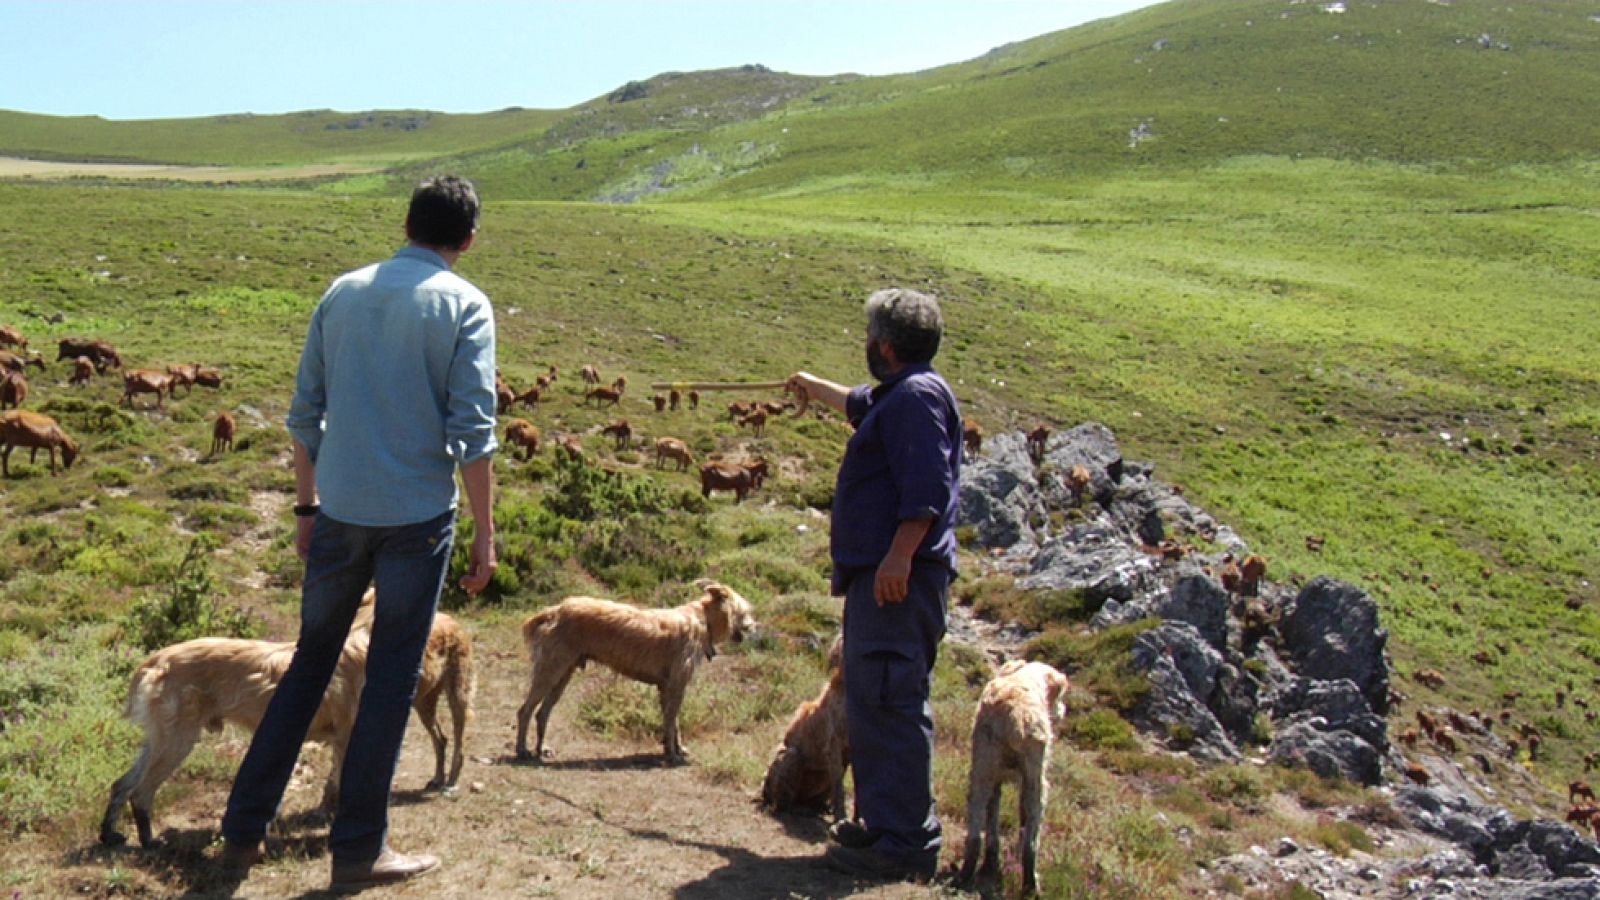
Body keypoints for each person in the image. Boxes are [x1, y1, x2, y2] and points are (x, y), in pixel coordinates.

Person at [220, 175, 499, 891]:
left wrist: (307, 510)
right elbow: (473, 432)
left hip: (339, 513)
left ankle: (244, 830)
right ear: (466, 239)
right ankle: (359, 851)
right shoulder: (465, 305)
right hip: (415, 520)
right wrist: (484, 535)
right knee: (389, 681)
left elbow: (303, 413)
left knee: (310, 663)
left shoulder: (341, 292)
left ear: (405, 222)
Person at [786, 287, 962, 883]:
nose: (864, 345)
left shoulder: (914, 400)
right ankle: (882, 824)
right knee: (874, 698)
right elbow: (863, 403)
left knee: (891, 699)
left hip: (897, 580)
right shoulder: (904, 393)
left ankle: (905, 844)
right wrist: (812, 386)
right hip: (885, 577)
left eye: (868, 336)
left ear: (885, 345)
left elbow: (927, 492)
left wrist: (898, 557)